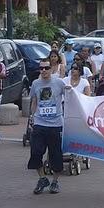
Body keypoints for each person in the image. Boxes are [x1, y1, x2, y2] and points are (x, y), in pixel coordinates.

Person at [28, 59, 65, 194]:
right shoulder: (35, 84)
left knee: (55, 155)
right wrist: (32, 117)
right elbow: (34, 100)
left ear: (51, 69)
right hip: (39, 123)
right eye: (41, 68)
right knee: (36, 152)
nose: (43, 70)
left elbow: (70, 97)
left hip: (55, 124)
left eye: (46, 68)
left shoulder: (59, 83)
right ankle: (42, 178)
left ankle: (55, 182)